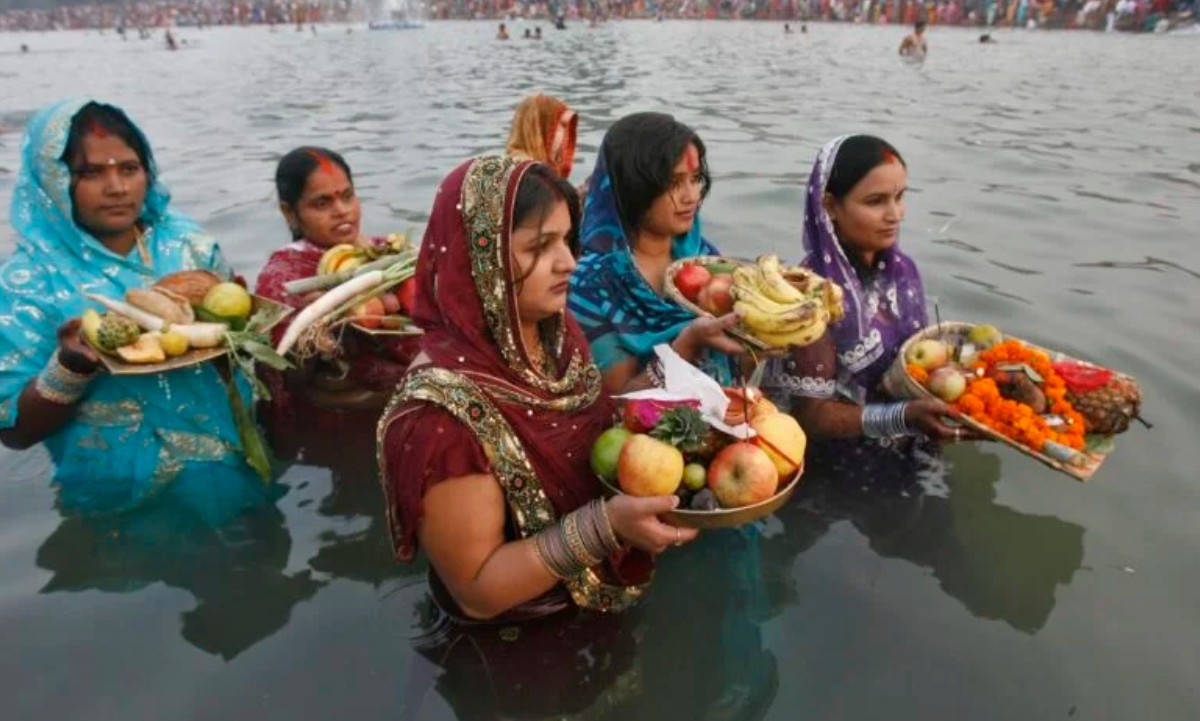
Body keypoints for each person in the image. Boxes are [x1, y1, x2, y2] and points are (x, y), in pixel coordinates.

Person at [378, 155, 698, 623]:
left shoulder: (552, 333)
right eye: (539, 247)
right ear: (480, 260)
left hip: (598, 603)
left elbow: (601, 430)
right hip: (520, 642)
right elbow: (478, 591)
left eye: (567, 240)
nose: (569, 262)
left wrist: (687, 350)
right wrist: (606, 525)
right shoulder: (440, 418)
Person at [0, 99, 274, 526]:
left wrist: (244, 331)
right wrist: (70, 367)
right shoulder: (29, 281)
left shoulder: (190, 249)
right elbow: (14, 431)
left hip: (233, 473)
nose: (117, 187)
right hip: (117, 502)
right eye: (91, 172)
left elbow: (244, 363)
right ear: (54, 182)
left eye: (128, 168)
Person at [763, 136, 975, 475]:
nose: (895, 215)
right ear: (830, 206)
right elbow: (810, 417)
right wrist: (901, 417)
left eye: (900, 197)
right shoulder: (810, 297)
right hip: (839, 472)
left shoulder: (903, 272)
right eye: (876, 201)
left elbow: (916, 366)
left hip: (914, 444)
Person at [569, 113, 744, 392]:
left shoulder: (703, 257)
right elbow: (615, 404)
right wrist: (686, 345)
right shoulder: (591, 283)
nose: (691, 196)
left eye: (696, 178)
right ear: (633, 188)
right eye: (674, 183)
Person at [254, 146, 418, 422]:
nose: (342, 211)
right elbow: (286, 377)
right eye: (322, 203)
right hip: (333, 425)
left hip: (404, 405)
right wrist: (321, 328)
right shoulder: (284, 277)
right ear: (289, 212)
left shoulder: (386, 253)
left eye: (347, 196)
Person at [505, 94, 578, 180]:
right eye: (562, 127)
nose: (565, 137)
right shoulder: (534, 176)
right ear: (543, 129)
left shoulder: (507, 167)